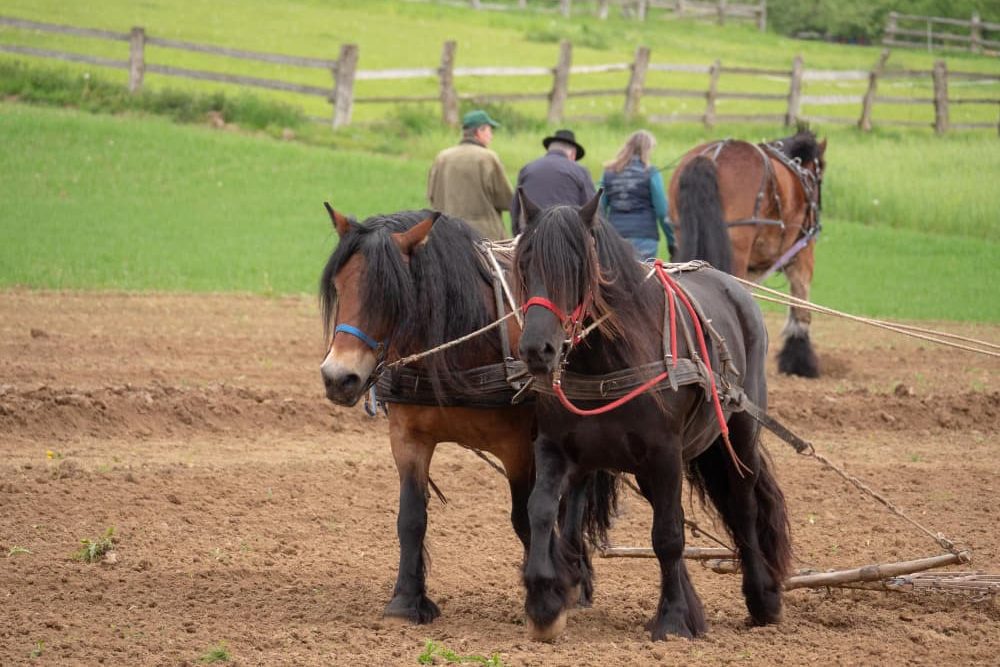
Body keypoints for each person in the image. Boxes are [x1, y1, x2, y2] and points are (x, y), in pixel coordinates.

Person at [427, 109, 514, 241]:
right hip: (485, 238)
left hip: (445, 236)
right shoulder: (487, 158)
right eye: (490, 131)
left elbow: (431, 196)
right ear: (479, 131)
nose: (492, 135)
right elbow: (506, 200)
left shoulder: (442, 157)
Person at [599, 129, 676, 261]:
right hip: (645, 238)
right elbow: (662, 211)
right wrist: (671, 240)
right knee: (644, 279)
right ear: (647, 149)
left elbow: (599, 208)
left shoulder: (608, 172)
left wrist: (601, 238)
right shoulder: (651, 172)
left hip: (615, 237)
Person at [509, 129, 596, 234]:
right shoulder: (580, 171)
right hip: (566, 238)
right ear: (573, 153)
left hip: (530, 236)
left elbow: (515, 209)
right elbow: (592, 212)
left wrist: (517, 237)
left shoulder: (527, 169)